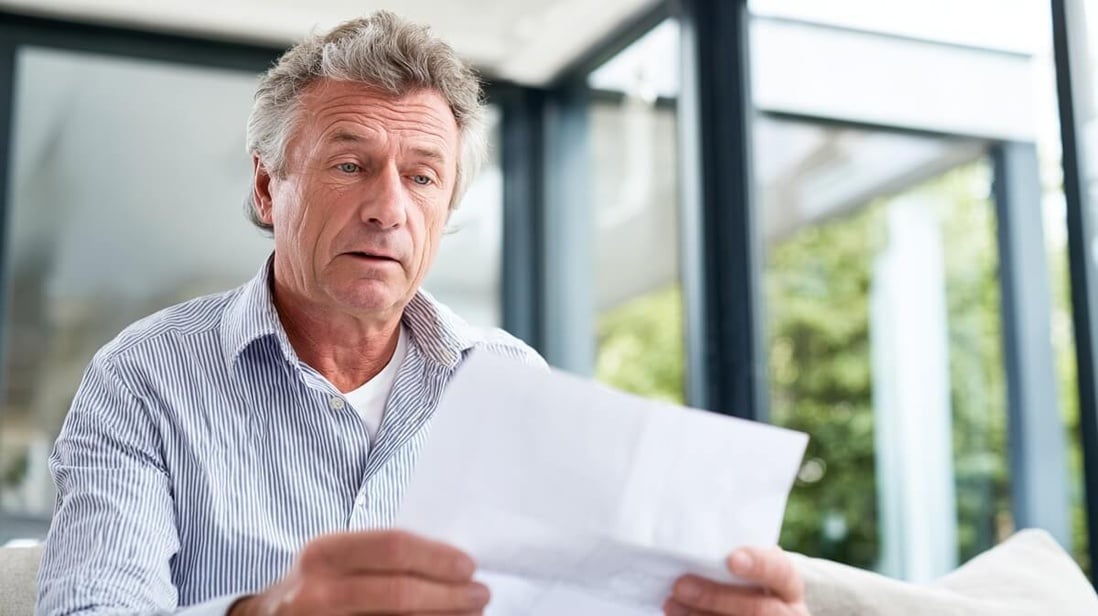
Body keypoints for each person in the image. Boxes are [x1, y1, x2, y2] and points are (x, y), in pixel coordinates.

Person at [34, 11, 810, 616]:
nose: (388, 210)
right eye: (350, 165)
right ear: (269, 189)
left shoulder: (512, 381)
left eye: (423, 176)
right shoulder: (144, 378)